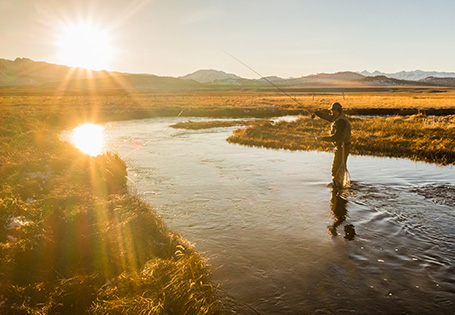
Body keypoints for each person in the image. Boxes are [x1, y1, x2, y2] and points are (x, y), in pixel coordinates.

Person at [315, 102, 351, 188]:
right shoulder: (339, 118)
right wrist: (317, 113)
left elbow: (336, 137)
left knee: (336, 169)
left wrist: (322, 138)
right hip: (343, 146)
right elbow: (328, 118)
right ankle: (339, 185)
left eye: (332, 110)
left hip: (342, 147)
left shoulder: (340, 121)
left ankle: (337, 186)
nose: (331, 112)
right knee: (339, 167)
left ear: (336, 110)